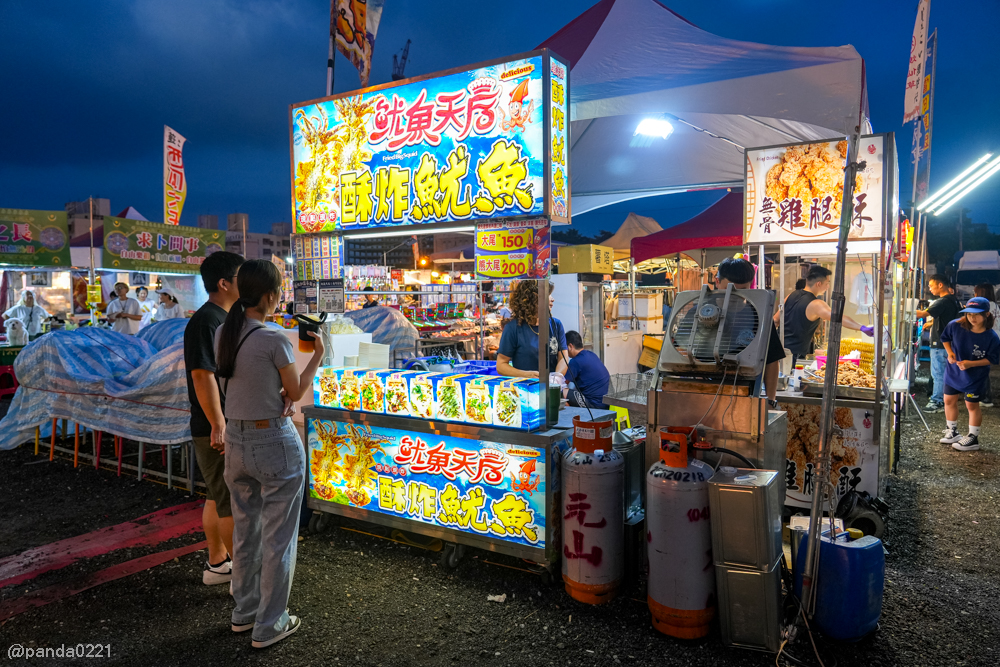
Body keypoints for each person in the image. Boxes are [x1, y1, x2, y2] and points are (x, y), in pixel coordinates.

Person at [215, 259, 324, 648]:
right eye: (279, 291)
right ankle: (270, 624)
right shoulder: (274, 337)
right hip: (273, 443)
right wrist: (318, 355)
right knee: (279, 538)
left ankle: (244, 614)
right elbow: (294, 394)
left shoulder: (224, 335)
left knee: (247, 533)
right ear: (269, 295)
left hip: (237, 444)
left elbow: (246, 386)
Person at [184, 251, 244, 588]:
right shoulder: (208, 321)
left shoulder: (222, 317)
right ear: (224, 284)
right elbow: (202, 376)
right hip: (214, 425)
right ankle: (245, 578)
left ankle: (218, 563)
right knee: (230, 502)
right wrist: (219, 424)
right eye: (241, 277)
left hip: (216, 423)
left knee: (216, 494)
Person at [715, 257, 785, 404]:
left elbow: (771, 360)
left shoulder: (760, 316)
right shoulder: (699, 312)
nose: (737, 295)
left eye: (743, 291)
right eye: (731, 289)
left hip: (748, 395)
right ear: (717, 282)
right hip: (703, 390)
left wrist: (771, 400)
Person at [938, 297, 1000, 452]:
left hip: (975, 376)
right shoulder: (955, 325)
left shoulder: (991, 336)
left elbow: (992, 359)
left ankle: (973, 437)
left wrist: (970, 364)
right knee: (948, 399)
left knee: (971, 405)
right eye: (969, 313)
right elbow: (945, 338)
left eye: (977, 314)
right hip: (954, 371)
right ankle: (952, 431)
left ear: (986, 314)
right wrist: (950, 353)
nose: (972, 317)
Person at [783, 265, 873, 366]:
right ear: (818, 284)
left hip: (781, 353)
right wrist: (862, 327)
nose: (828, 287)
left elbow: (775, 320)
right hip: (794, 357)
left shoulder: (790, 296)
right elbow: (838, 318)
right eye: (827, 283)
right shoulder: (816, 304)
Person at [497, 280, 568, 378]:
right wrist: (527, 375)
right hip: (525, 388)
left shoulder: (556, 324)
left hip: (551, 386)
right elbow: (501, 365)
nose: (552, 299)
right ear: (533, 300)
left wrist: (557, 378)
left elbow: (563, 358)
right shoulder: (513, 328)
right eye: (548, 294)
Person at [915, 275, 962, 413]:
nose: (929, 289)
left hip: (940, 343)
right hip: (949, 342)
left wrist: (904, 310)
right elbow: (946, 319)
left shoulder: (941, 301)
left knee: (938, 373)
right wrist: (931, 323)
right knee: (944, 373)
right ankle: (944, 399)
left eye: (931, 285)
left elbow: (923, 313)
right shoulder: (953, 300)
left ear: (940, 285)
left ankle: (937, 401)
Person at [563, 330, 610, 408]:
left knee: (562, 392)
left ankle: (570, 417)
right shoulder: (591, 354)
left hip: (594, 405)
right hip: (606, 404)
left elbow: (562, 383)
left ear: (570, 346)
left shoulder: (575, 362)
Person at [973, 284, 1000, 408]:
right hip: (995, 338)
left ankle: (986, 397)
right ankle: (985, 396)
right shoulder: (995, 305)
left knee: (981, 367)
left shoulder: (984, 306)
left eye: (976, 292)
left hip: (986, 339)